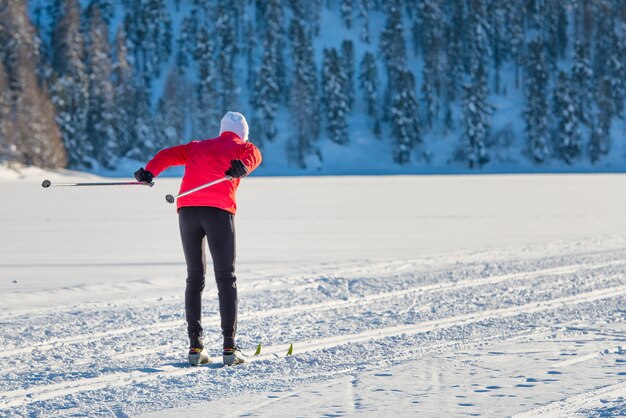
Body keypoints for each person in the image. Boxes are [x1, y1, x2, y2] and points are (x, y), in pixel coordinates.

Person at [134, 111, 262, 366]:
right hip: (218, 212)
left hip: (187, 210)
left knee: (195, 276)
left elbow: (167, 155)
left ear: (221, 130)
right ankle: (229, 348)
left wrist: (149, 172)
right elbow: (252, 158)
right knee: (226, 277)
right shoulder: (245, 147)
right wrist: (242, 168)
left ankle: (195, 347)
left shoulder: (197, 147)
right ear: (243, 133)